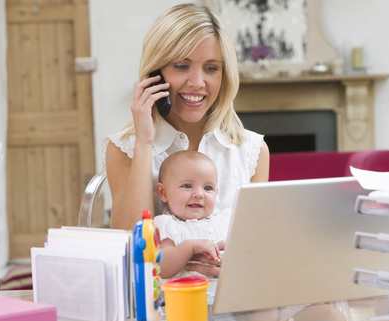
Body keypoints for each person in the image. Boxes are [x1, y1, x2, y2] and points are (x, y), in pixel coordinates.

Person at [103, 3, 269, 276]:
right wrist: (144, 143)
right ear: (155, 74)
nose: (197, 82)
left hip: (234, 299)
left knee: (327, 312)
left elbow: (259, 247)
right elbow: (130, 253)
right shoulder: (124, 149)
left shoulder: (252, 151)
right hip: (164, 304)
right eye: (181, 66)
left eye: (211, 68)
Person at [152, 150, 230, 279]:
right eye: (187, 186)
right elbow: (160, 268)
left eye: (208, 188)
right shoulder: (168, 224)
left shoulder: (226, 219)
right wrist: (189, 247)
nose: (199, 194)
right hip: (186, 296)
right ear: (163, 193)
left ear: (217, 192)